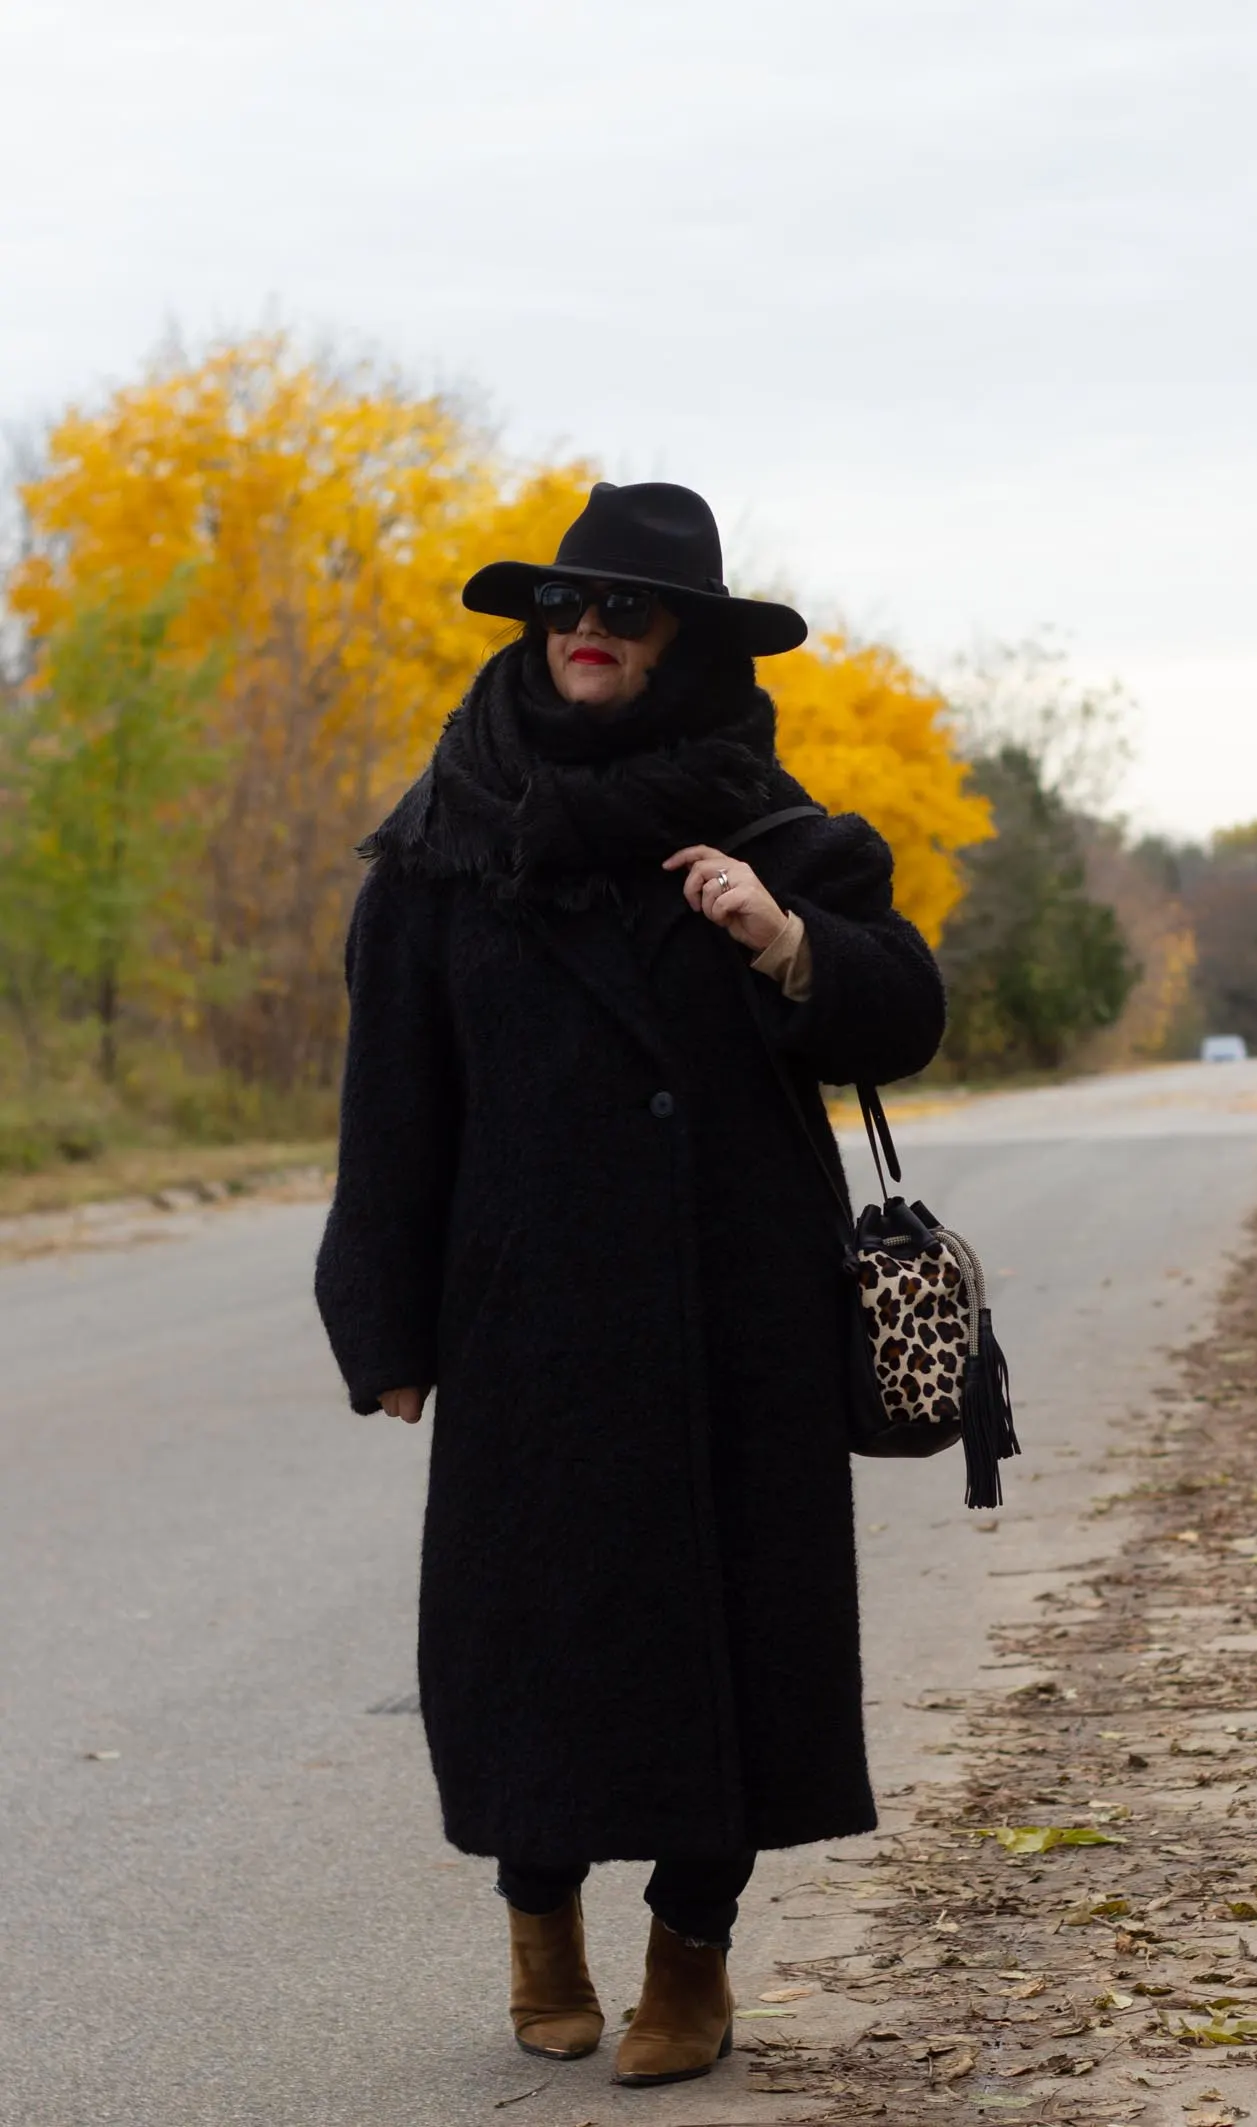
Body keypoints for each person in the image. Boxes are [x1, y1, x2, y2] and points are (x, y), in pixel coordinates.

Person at [314, 481, 946, 2088]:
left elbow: (902, 1020)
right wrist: (383, 1321)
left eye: (626, 613)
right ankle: (541, 1923)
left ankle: (695, 1947)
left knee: (733, 1631)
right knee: (533, 1630)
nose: (587, 633)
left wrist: (792, 940)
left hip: (741, 1304)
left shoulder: (791, 836)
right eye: (565, 609)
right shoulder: (442, 849)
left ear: (689, 647)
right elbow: (393, 1104)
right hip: (526, 1308)